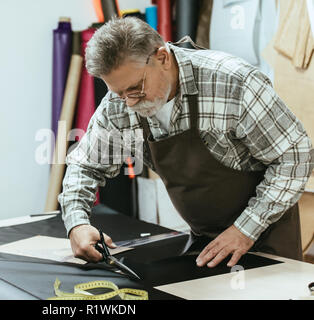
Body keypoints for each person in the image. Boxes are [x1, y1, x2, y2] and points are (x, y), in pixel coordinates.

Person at [58, 17, 313, 268]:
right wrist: (77, 223)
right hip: (205, 243)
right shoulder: (120, 105)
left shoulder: (232, 82)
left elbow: (295, 156)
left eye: (136, 88)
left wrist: (245, 229)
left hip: (268, 235)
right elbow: (85, 166)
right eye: (120, 93)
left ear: (163, 58)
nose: (130, 102)